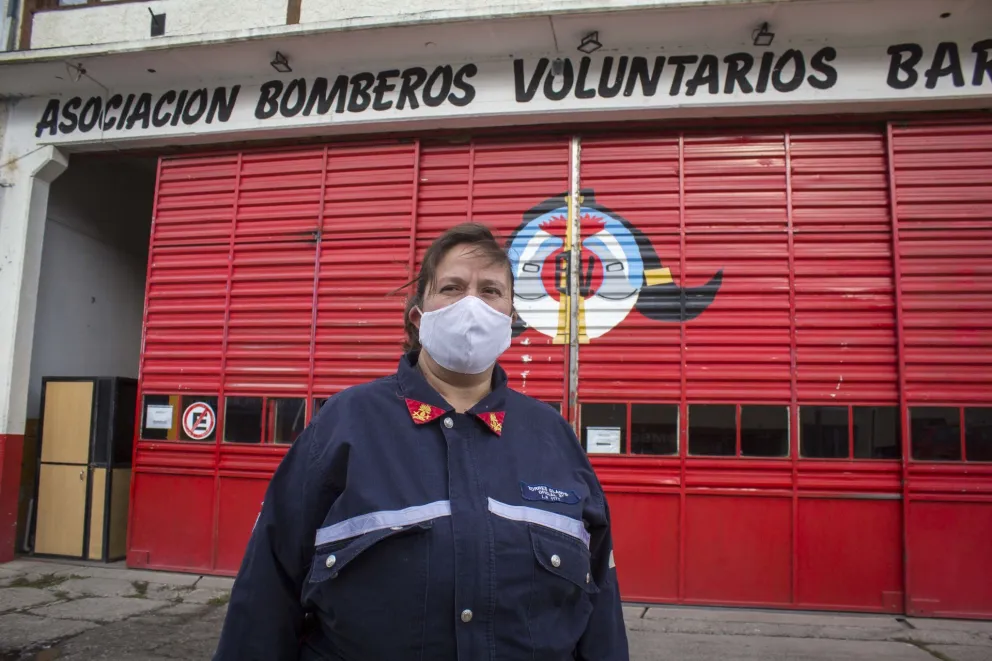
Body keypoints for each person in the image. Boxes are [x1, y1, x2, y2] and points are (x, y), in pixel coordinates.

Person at [213, 223, 629, 660]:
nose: (471, 304)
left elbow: (599, 602)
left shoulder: (552, 437)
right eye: (451, 287)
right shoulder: (345, 425)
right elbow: (267, 590)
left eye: (490, 291)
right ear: (419, 315)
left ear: (510, 320)